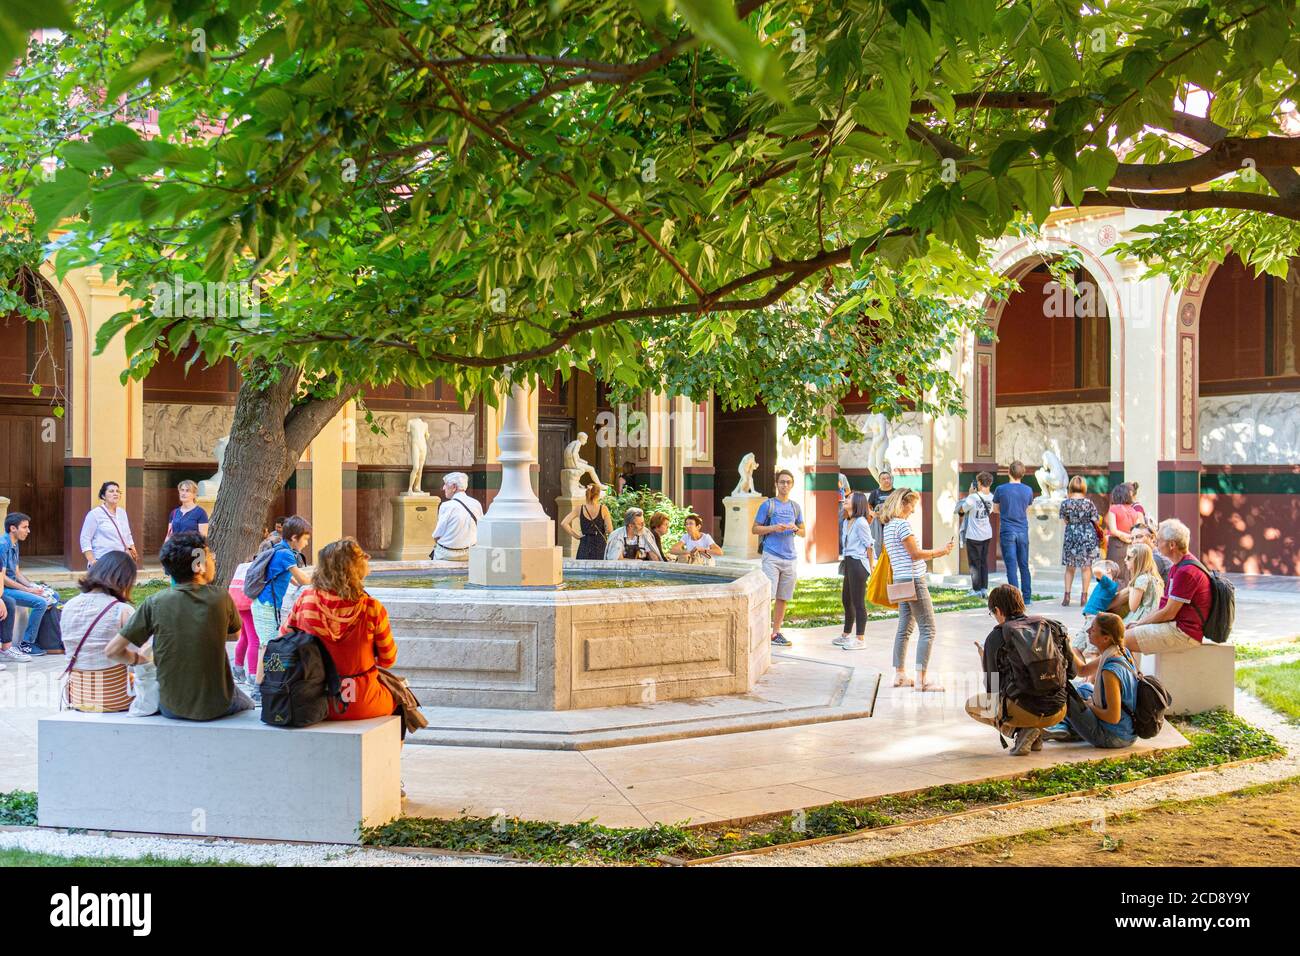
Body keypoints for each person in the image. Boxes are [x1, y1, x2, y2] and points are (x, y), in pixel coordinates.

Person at [104, 532, 252, 721]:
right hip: (217, 705)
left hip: (171, 707)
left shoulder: (155, 602)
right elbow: (237, 634)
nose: (213, 561)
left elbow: (112, 651)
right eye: (210, 556)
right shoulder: (221, 597)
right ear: (199, 565)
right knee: (247, 703)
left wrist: (139, 660)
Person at [281, 538, 399, 721]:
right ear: (356, 567)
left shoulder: (306, 600)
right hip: (362, 700)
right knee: (402, 701)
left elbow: (284, 640)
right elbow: (388, 660)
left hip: (313, 699)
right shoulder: (371, 608)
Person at [966, 584, 1076, 755]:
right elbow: (1072, 673)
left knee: (972, 705)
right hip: (1059, 709)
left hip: (1024, 710)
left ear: (998, 610)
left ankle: (1020, 732)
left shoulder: (997, 637)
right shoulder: (1052, 627)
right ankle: (1036, 733)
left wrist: (984, 659)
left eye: (992, 613)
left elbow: (992, 690)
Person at [879, 488, 954, 691]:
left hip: (900, 580)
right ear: (903, 504)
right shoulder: (902, 525)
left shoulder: (888, 526)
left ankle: (900, 674)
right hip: (913, 580)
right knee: (928, 629)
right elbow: (915, 554)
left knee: (904, 628)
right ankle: (921, 680)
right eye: (912, 506)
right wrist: (941, 552)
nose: (912, 511)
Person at [1044, 612, 1138, 750]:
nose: (1088, 631)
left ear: (1105, 638)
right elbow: (1082, 670)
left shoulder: (1109, 672)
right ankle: (1065, 727)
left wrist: (1090, 706)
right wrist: (1067, 645)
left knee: (1064, 694)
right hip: (1126, 730)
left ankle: (1064, 727)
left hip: (1114, 737)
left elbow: (1113, 717)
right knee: (1084, 688)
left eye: (1093, 629)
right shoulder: (1120, 652)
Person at [1123, 518, 1211, 659]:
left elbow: (1168, 612)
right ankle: (1133, 678)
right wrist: (1139, 623)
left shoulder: (1186, 571)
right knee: (1122, 634)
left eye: (1159, 539)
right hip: (1175, 626)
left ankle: (1115, 678)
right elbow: (1164, 608)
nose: (1156, 543)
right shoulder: (1178, 566)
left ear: (1171, 545)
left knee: (1118, 640)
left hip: (1183, 633)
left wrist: (1140, 623)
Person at [62, 552, 138, 713]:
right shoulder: (122, 610)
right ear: (124, 580)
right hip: (115, 698)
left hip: (78, 696)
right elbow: (138, 658)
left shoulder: (68, 606)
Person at [250, 515, 313, 703]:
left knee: (268, 645)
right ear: (294, 537)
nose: (307, 543)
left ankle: (264, 685)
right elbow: (301, 579)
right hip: (266, 605)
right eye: (306, 538)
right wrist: (323, 578)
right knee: (266, 646)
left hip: (266, 605)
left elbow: (290, 579)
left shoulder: (281, 550)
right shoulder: (285, 554)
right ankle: (259, 689)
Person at [752, 469, 805, 647]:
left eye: (788, 482)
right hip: (771, 556)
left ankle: (776, 633)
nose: (785, 485)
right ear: (776, 484)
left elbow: (804, 531)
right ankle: (761, 632)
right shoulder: (768, 505)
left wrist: (795, 529)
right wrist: (774, 527)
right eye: (782, 482)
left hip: (790, 558)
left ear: (792, 484)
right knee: (768, 595)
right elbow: (755, 529)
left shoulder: (795, 507)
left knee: (783, 597)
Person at [0, 512, 59, 656]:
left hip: (13, 586)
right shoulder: (3, 545)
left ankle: (44, 638)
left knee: (54, 595)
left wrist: (32, 586)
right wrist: (27, 590)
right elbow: (3, 578)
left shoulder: (14, 543)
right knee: (41, 603)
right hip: (4, 589)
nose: (28, 531)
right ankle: (27, 643)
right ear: (13, 528)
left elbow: (17, 573)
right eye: (25, 527)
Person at [834, 492, 875, 651]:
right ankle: (846, 635)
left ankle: (860, 639)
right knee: (846, 600)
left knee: (858, 602)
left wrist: (870, 568)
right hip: (849, 562)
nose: (845, 499)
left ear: (857, 503)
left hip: (858, 563)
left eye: (849, 498)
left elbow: (869, 546)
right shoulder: (846, 522)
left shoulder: (861, 523)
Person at [993, 461, 1034, 600]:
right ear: (1023, 474)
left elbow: (995, 509)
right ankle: (1027, 597)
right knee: (1024, 565)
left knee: (1011, 566)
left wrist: (1006, 512)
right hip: (1022, 530)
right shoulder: (1028, 490)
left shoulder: (1000, 489)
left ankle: (1015, 598)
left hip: (1007, 530)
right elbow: (1027, 509)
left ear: (1008, 472)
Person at [1058, 476, 1101, 606]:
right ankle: (1084, 597)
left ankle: (1067, 596)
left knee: (1069, 568)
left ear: (1070, 487)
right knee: (1086, 568)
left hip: (1071, 535)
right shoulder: (1089, 503)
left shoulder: (1065, 503)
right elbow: (1096, 520)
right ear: (1083, 487)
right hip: (1087, 536)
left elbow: (1065, 520)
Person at [79, 481, 139, 566]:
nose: (115, 494)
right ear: (103, 496)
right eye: (111, 491)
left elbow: (128, 535)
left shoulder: (122, 513)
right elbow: (85, 538)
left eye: (117, 491)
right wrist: (92, 560)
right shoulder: (95, 514)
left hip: (122, 560)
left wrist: (132, 550)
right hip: (102, 560)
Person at [429, 472, 482, 561]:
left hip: (446, 555)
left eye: (445, 484)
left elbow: (437, 535)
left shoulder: (446, 506)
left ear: (454, 487)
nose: (443, 488)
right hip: (471, 554)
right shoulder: (476, 504)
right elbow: (480, 529)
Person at [958, 472, 994, 597]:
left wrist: (969, 494)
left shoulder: (972, 498)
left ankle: (976, 590)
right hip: (987, 534)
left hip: (973, 535)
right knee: (984, 561)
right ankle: (984, 588)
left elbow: (961, 510)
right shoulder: (991, 497)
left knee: (974, 563)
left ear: (979, 483)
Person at [228, 549, 258, 686]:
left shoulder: (242, 566)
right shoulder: (257, 567)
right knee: (255, 640)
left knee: (245, 637)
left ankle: (238, 669)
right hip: (249, 604)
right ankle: (253, 675)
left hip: (238, 603)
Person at [561, 483, 613, 560]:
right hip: (600, 544)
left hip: (585, 543)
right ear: (598, 495)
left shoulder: (579, 509)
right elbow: (609, 530)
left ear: (586, 494)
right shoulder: (603, 509)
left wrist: (577, 536)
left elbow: (564, 523)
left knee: (583, 569)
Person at [1105, 483, 1141, 586]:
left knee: (1113, 575)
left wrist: (1123, 537)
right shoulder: (1134, 510)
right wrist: (1129, 538)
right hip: (1131, 546)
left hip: (1116, 545)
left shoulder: (1114, 508)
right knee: (1128, 576)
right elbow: (1137, 529)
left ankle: (1114, 600)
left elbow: (1113, 530)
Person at [1123, 542, 1164, 628]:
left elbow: (1133, 607)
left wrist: (1131, 589)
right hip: (1155, 616)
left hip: (1143, 618)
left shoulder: (1141, 579)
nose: (1125, 560)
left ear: (1139, 560)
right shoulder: (1154, 578)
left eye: (1129, 557)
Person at [867, 470, 894, 548]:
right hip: (878, 524)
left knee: (890, 545)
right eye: (883, 479)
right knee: (878, 544)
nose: (886, 480)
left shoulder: (896, 492)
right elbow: (868, 507)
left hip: (892, 523)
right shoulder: (874, 493)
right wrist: (873, 514)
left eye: (888, 478)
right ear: (879, 481)